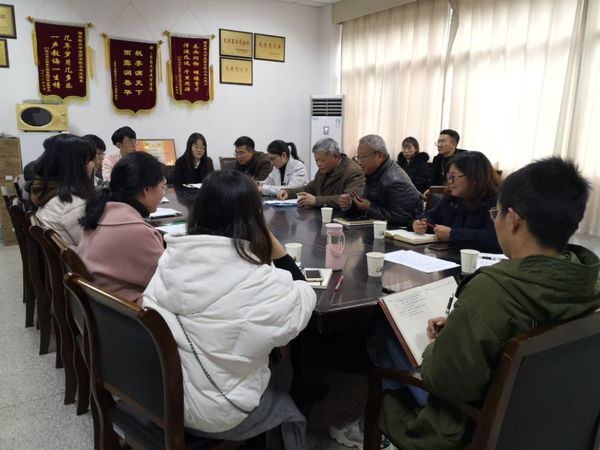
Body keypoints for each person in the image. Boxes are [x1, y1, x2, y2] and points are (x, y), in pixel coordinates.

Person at [374, 157, 600, 450]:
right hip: (549, 419)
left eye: (497, 213)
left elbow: (445, 381)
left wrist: (435, 347)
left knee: (387, 337)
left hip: (475, 426)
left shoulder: (492, 291)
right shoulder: (588, 280)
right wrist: (463, 326)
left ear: (513, 219)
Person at [143, 170, 316, 449]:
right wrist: (278, 250)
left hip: (160, 395)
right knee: (284, 356)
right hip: (219, 411)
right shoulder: (258, 280)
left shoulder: (170, 258)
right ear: (255, 218)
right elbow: (304, 298)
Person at [78, 152, 165, 304]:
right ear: (146, 190)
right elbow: (169, 282)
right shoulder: (138, 232)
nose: (162, 194)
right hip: (127, 311)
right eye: (162, 187)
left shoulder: (100, 212)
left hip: (101, 305)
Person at [413, 151, 501, 252]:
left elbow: (494, 238)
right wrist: (420, 223)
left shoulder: (496, 201)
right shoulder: (451, 197)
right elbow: (431, 216)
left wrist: (452, 234)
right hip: (449, 255)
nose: (449, 182)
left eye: (453, 177)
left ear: (474, 178)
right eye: (448, 177)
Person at [338, 134, 422, 228]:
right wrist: (349, 204)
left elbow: (404, 219)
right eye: (358, 157)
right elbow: (367, 206)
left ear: (380, 156)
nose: (359, 162)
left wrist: (369, 207)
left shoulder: (396, 181)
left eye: (362, 157)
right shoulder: (373, 173)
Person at [31, 134, 96, 247]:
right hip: (78, 257)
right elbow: (92, 247)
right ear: (77, 167)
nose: (93, 165)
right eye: (89, 160)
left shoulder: (48, 192)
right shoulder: (73, 204)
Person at [277, 138, 365, 209]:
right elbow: (310, 188)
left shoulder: (353, 171)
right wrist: (288, 192)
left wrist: (316, 200)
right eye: (316, 161)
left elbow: (348, 199)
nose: (318, 164)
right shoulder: (324, 169)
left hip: (341, 218)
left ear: (335, 156)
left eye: (322, 160)